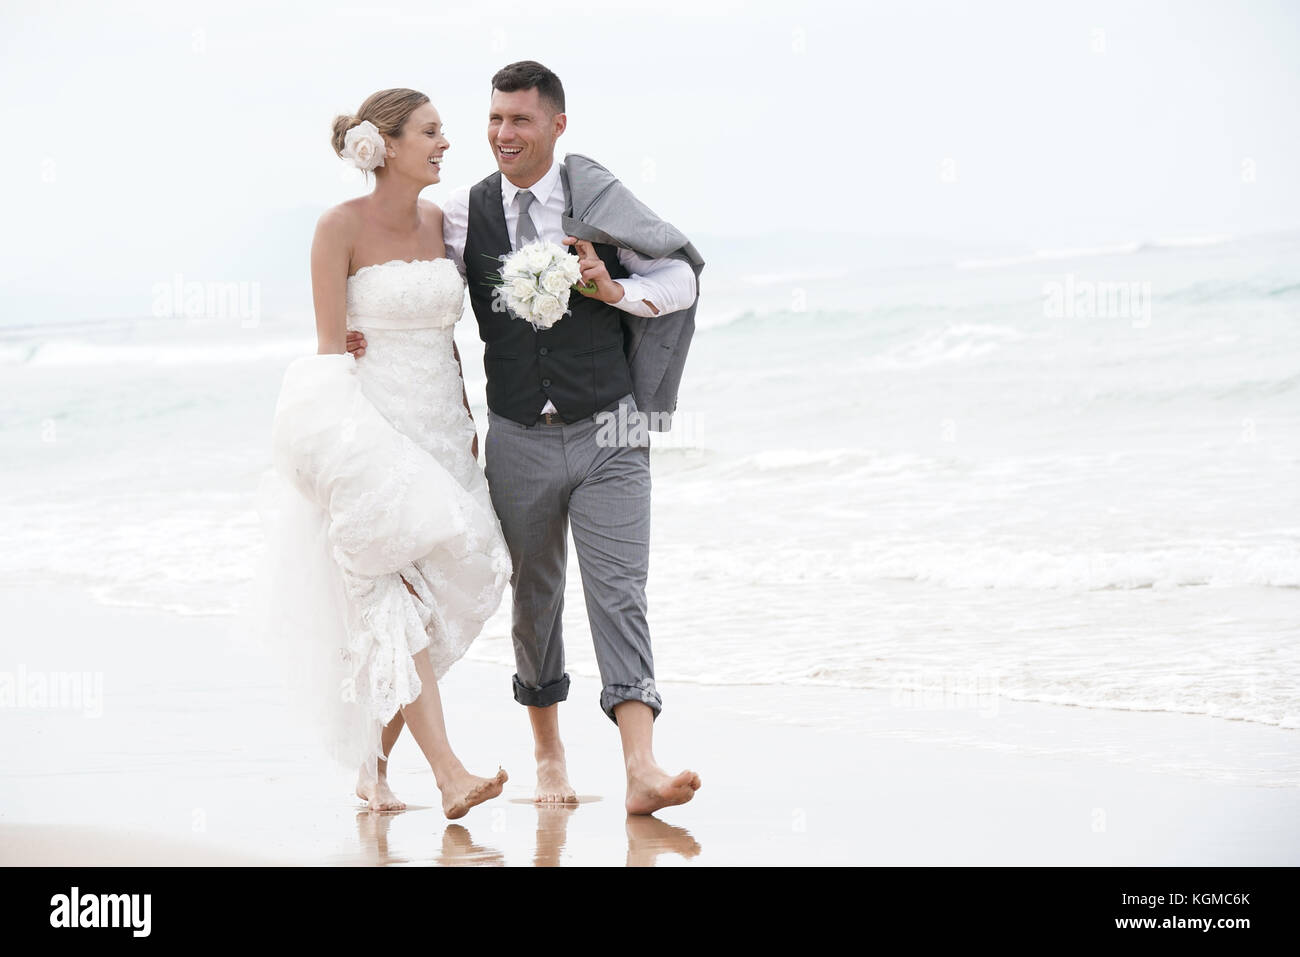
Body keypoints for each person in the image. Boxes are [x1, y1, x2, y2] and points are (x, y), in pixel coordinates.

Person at [348, 62, 702, 815]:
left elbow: (681, 276)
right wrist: (359, 332)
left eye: (521, 121)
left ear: (557, 127)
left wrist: (616, 291)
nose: (503, 134)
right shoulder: (462, 215)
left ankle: (640, 765)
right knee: (534, 597)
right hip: (517, 436)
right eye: (496, 118)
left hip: (610, 425)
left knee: (619, 590)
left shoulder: (595, 198)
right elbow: (417, 286)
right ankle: (548, 751)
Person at [259, 88, 510, 819]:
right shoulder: (336, 228)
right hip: (373, 436)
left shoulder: (441, 222)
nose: (445, 143)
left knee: (443, 599)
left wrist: (467, 421)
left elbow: (448, 338)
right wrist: (338, 455)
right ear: (388, 145)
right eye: (431, 132)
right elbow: (331, 351)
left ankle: (372, 769)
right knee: (393, 604)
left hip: (442, 431)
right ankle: (451, 775)